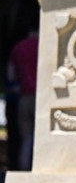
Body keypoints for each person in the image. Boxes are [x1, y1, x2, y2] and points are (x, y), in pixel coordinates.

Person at [7, 28, 39, 171]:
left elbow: (11, 75)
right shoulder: (43, 46)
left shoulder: (18, 47)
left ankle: (23, 170)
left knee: (26, 139)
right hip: (41, 100)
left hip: (24, 98)